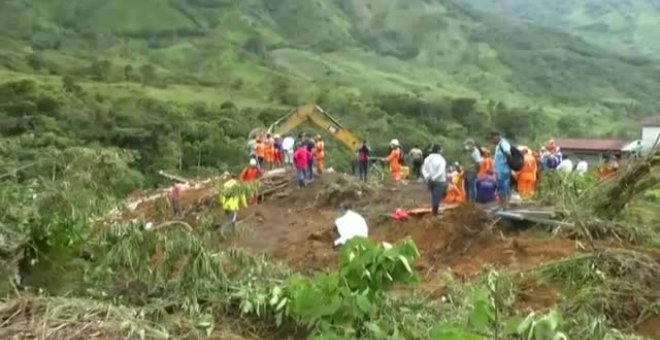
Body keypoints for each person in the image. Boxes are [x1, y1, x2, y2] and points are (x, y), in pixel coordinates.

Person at [421, 144, 447, 216]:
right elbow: (440, 172)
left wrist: (427, 177)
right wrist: (434, 178)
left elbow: (423, 169)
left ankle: (435, 210)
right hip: (439, 181)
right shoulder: (441, 159)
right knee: (437, 197)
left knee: (434, 196)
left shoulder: (427, 159)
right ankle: (435, 213)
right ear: (439, 150)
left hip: (430, 180)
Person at [490, 131, 512, 204]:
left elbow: (508, 154)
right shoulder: (498, 146)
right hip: (499, 170)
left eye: (493, 138)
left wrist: (507, 164)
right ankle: (504, 203)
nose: (492, 140)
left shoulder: (504, 144)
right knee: (501, 187)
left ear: (497, 137)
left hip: (504, 170)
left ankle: (505, 204)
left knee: (503, 187)